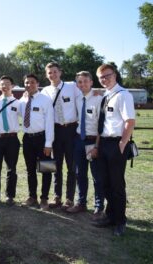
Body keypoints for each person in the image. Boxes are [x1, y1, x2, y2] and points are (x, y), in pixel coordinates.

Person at [92, 64, 135, 236]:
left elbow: (130, 121)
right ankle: (110, 216)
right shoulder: (106, 95)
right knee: (105, 182)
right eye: (101, 77)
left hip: (116, 144)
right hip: (103, 143)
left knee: (117, 184)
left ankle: (120, 221)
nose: (104, 79)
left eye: (107, 76)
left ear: (115, 75)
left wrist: (123, 143)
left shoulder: (124, 95)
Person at [41, 62, 81, 210]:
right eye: (49, 72)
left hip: (71, 130)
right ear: (46, 75)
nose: (53, 75)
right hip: (55, 131)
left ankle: (69, 198)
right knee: (56, 165)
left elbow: (84, 96)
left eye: (55, 72)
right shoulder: (45, 91)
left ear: (60, 72)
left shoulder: (72, 86)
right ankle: (57, 196)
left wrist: (95, 92)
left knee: (71, 166)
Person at [66, 71, 104, 220]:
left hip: (93, 141)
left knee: (97, 176)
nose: (83, 84)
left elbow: (102, 124)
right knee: (79, 174)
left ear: (91, 82)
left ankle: (99, 207)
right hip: (79, 141)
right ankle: (81, 203)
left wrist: (97, 146)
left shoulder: (99, 98)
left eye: (85, 81)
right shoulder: (77, 98)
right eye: (80, 82)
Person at [20, 74, 54, 210]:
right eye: (27, 83)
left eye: (32, 82)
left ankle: (44, 198)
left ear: (38, 83)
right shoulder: (22, 100)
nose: (29, 85)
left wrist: (48, 143)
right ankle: (32, 196)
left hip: (42, 138)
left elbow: (50, 122)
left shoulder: (45, 100)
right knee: (30, 170)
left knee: (46, 169)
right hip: (27, 138)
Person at [0, 76, 21, 205]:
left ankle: (10, 196)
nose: (4, 86)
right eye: (2, 84)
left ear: (12, 86)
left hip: (12, 139)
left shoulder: (19, 103)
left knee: (11, 169)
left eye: (7, 84)